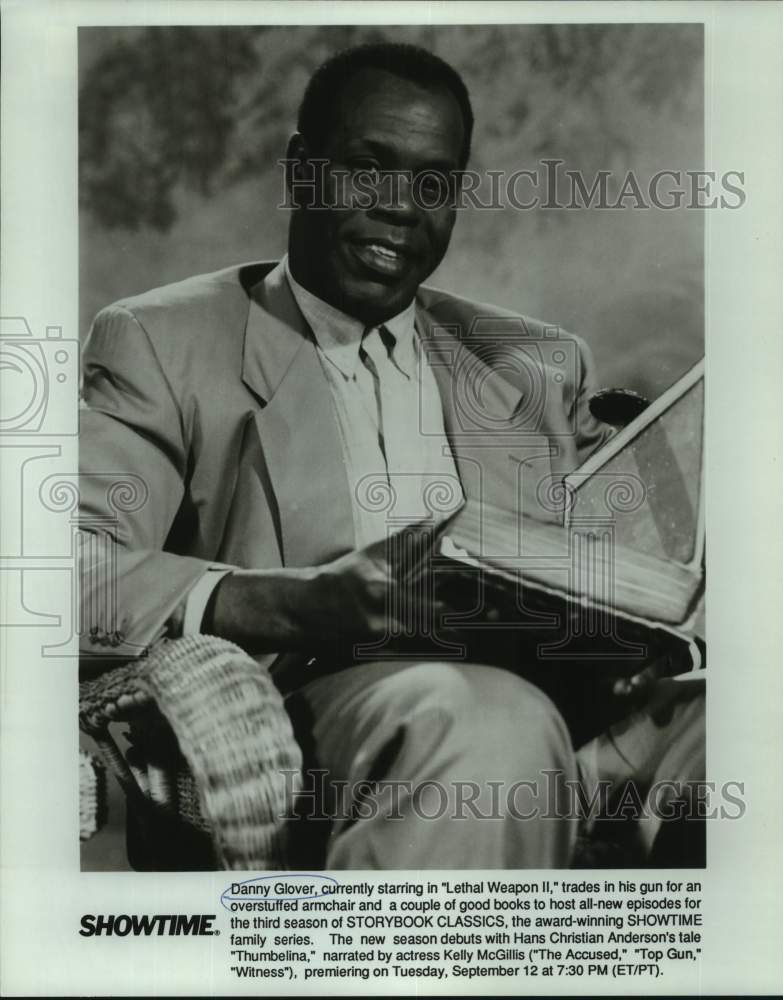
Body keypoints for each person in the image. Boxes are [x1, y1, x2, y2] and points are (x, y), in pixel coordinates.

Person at [79, 42, 704, 869]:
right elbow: (65, 571)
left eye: (433, 184)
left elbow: (632, 556)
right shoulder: (160, 340)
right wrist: (292, 603)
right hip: (324, 724)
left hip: (577, 715)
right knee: (486, 720)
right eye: (368, 168)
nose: (402, 207)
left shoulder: (536, 362)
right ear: (301, 170)